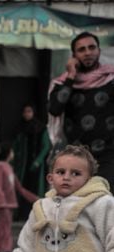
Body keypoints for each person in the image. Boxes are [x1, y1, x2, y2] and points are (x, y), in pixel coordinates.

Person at [12, 145, 114, 252]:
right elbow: (27, 241)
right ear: (50, 178)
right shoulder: (41, 207)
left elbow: (112, 235)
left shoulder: (101, 203)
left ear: (89, 179)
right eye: (60, 172)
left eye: (76, 173)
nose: (67, 177)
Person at [49, 31, 114, 187]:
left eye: (92, 47)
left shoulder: (111, 78)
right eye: (82, 49)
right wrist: (71, 76)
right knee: (80, 207)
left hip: (109, 156)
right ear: (74, 55)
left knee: (106, 204)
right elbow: (55, 109)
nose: (88, 53)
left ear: (99, 50)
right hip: (77, 159)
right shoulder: (64, 83)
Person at [0, 143, 38, 252]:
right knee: (6, 225)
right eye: (11, 151)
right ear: (7, 154)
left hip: (8, 203)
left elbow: (19, 188)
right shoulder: (0, 167)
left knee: (3, 225)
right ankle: (6, 247)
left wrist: (34, 198)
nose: (13, 154)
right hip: (4, 204)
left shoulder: (9, 168)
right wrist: (1, 200)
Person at [12, 103, 51, 219]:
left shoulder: (41, 128)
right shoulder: (20, 128)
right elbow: (16, 146)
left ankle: (36, 215)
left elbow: (46, 146)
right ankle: (22, 214)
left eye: (29, 111)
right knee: (22, 188)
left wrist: (38, 161)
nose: (26, 114)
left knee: (36, 188)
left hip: (37, 164)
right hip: (23, 164)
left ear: (33, 113)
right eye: (25, 112)